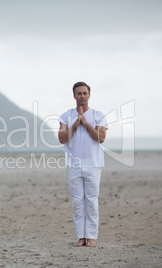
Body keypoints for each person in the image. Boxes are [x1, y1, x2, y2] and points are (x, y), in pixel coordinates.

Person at [58, 81, 108, 247]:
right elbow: (62, 138)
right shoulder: (66, 115)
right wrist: (76, 123)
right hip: (73, 165)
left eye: (85, 93)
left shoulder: (98, 115)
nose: (82, 96)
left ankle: (91, 237)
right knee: (78, 201)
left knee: (92, 200)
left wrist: (85, 122)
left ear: (89, 95)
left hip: (93, 164)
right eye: (79, 93)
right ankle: (81, 236)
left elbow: (100, 138)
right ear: (74, 96)